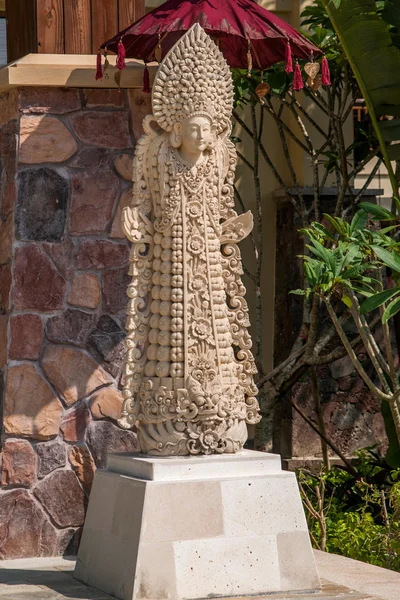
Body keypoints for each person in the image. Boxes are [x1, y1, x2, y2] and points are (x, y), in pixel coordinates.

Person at [119, 24, 260, 456]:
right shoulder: (156, 154)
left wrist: (229, 231)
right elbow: (143, 202)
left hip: (209, 264)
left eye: (207, 129)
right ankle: (168, 417)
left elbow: (221, 209)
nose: (201, 136)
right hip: (169, 258)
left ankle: (221, 414)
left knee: (217, 326)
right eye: (193, 129)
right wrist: (138, 225)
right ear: (177, 128)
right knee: (165, 333)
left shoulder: (221, 157)